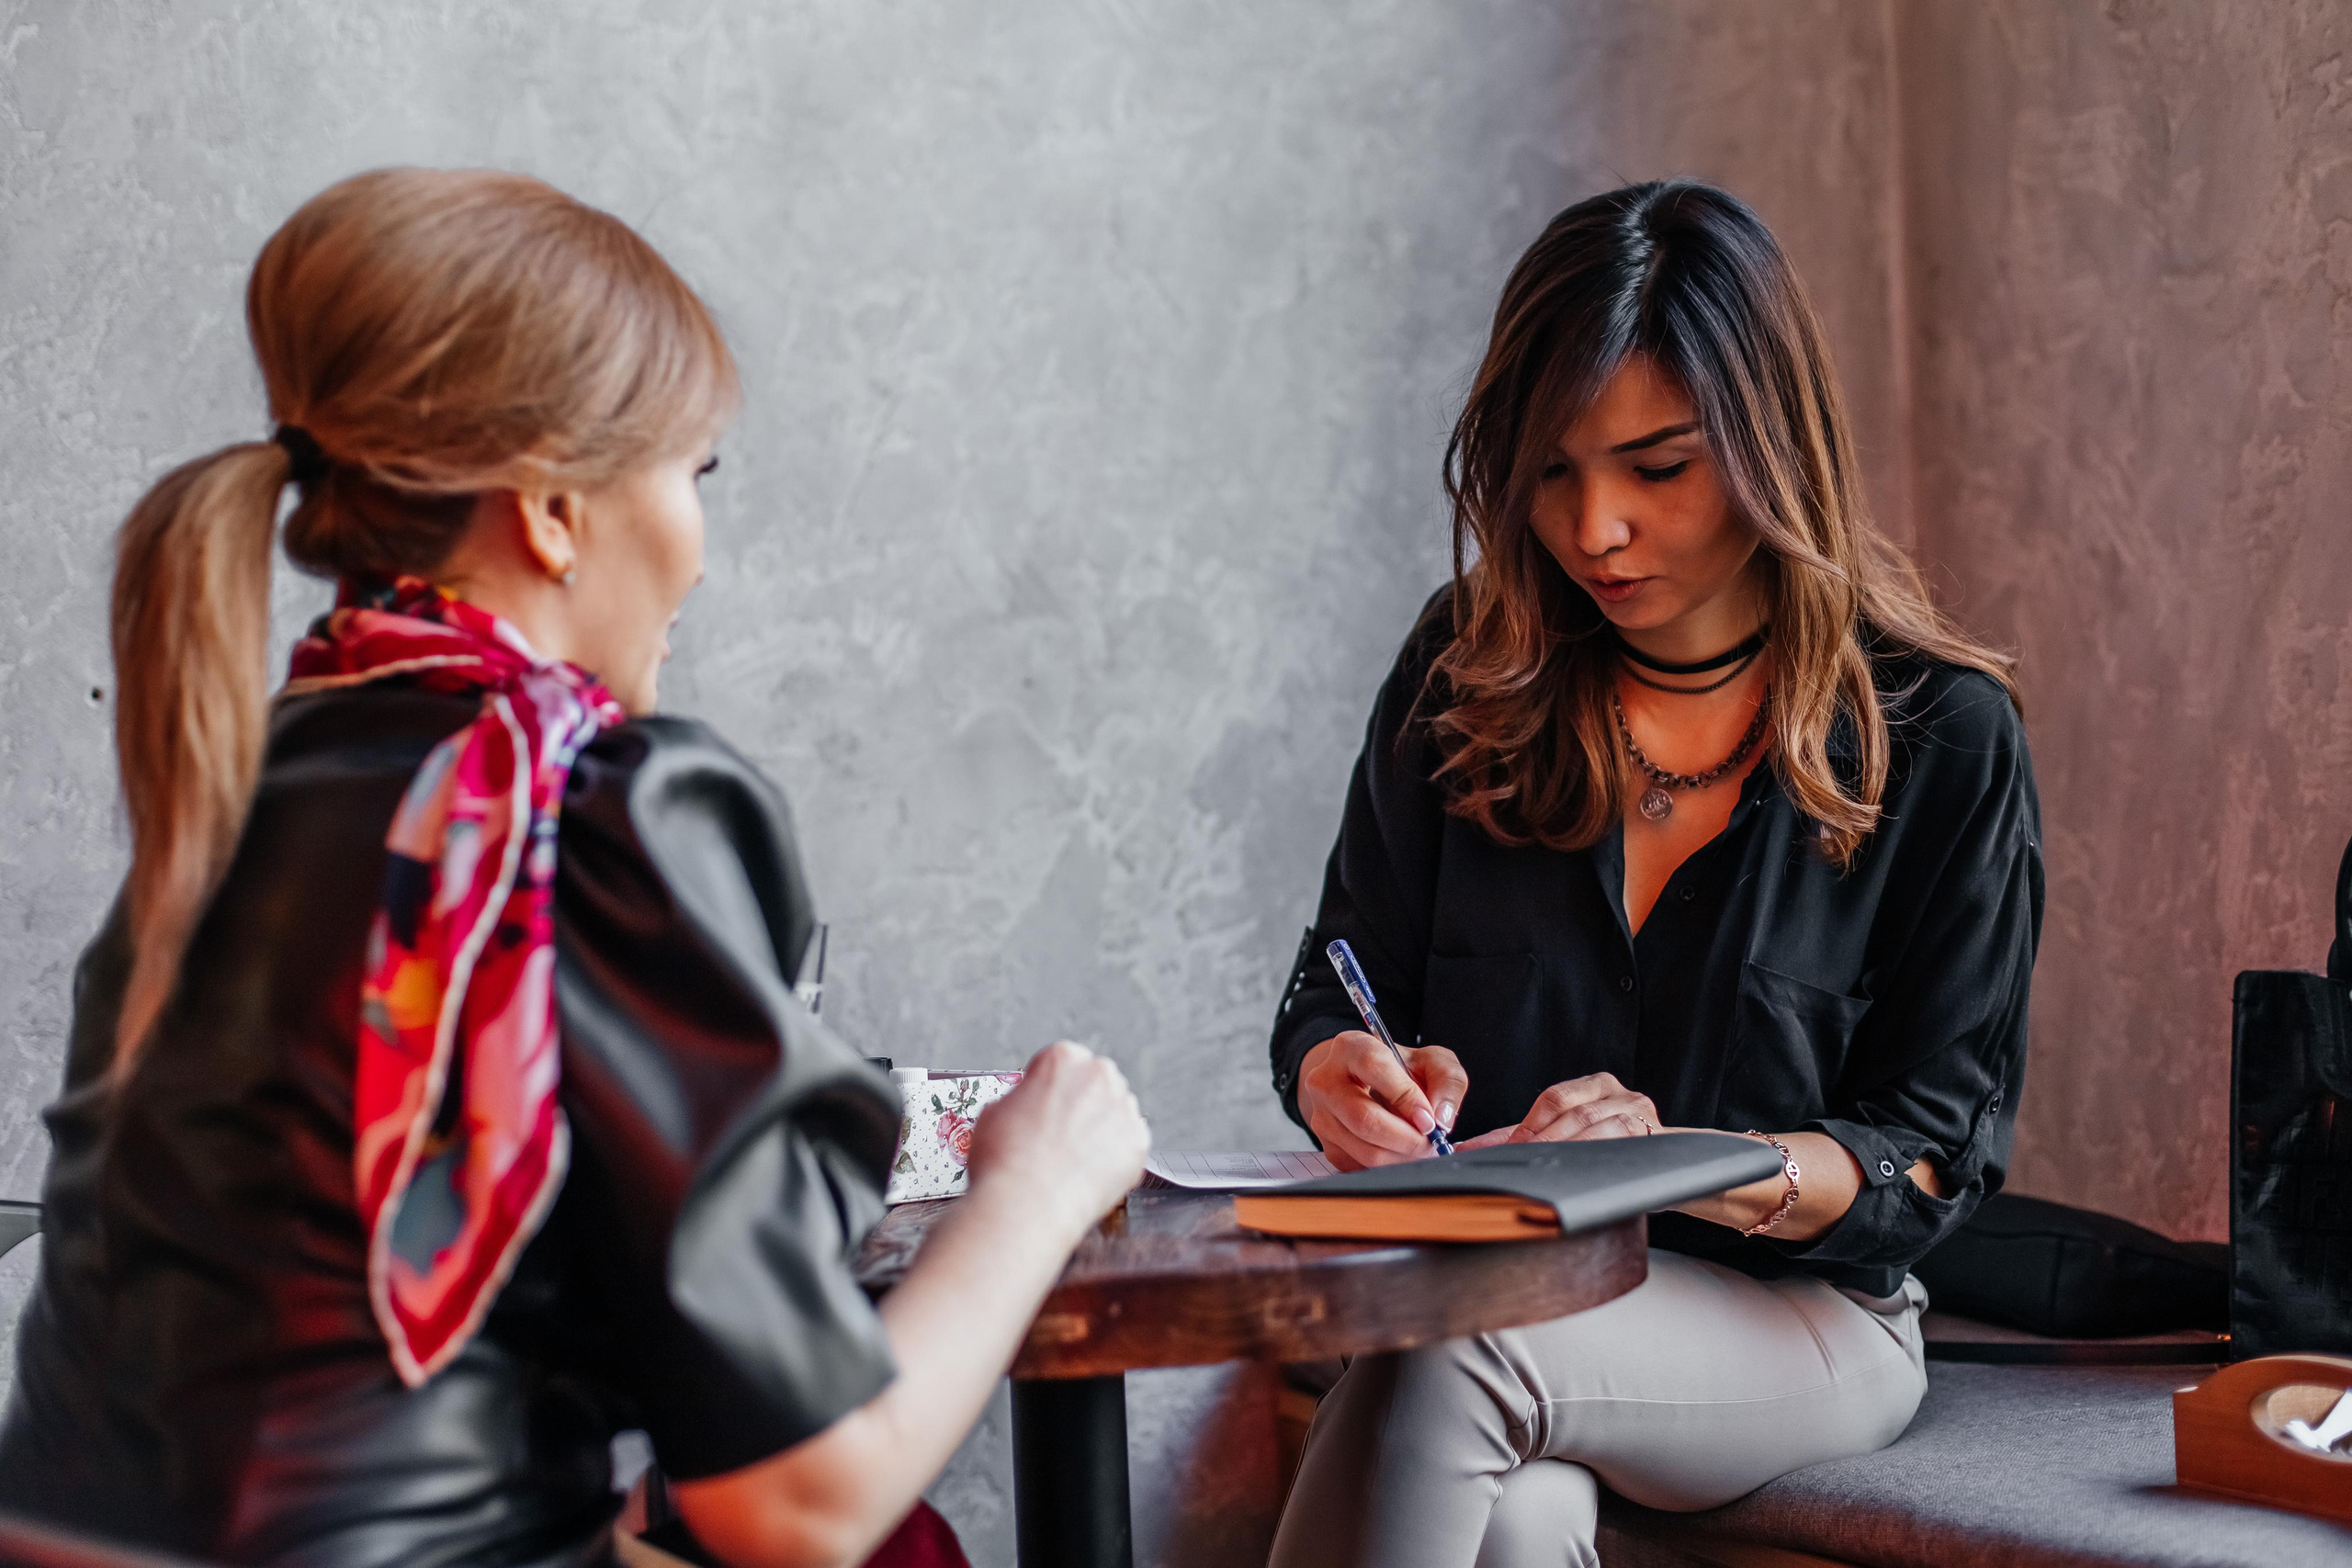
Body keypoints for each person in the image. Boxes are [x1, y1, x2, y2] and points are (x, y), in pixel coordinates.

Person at [0, 167, 1150, 1568]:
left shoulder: (219, 800)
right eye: (692, 475)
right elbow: (798, 1504)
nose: (701, 557)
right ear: (551, 508)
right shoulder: (594, 806)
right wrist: (1038, 1179)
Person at [1264, 180, 2041, 1568]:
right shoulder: (1462, 682)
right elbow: (1336, 986)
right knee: (1519, 1522)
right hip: (1513, 1295)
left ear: (1766, 445)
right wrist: (1335, 1070)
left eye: (1657, 467)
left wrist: (1677, 1167)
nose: (1595, 527)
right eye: (1552, 470)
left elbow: (1931, 1158)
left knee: (1453, 1348)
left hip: (1807, 1318)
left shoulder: (1941, 735)